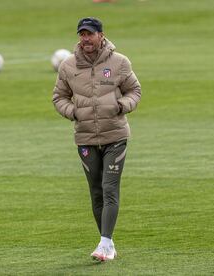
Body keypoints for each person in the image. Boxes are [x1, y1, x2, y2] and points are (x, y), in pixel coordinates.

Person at [52, 17, 141, 262]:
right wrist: (73, 112)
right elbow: (59, 97)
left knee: (109, 187)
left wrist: (122, 106)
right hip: (86, 138)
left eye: (90, 34)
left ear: (101, 35)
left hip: (115, 136)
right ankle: (108, 244)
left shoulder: (119, 62)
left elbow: (135, 90)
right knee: (96, 191)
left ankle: (104, 244)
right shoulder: (68, 66)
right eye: (82, 34)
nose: (85, 39)